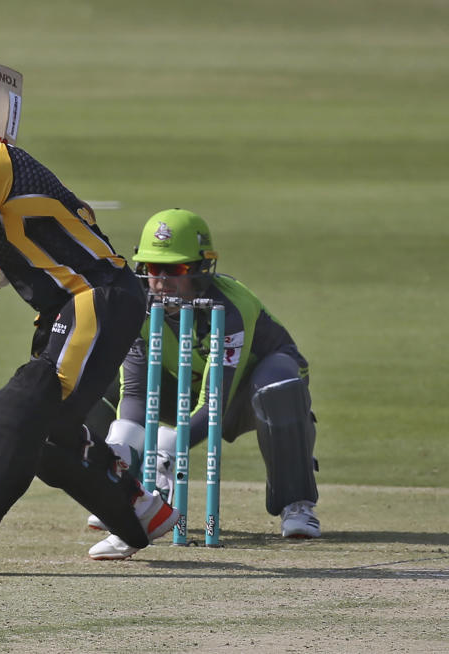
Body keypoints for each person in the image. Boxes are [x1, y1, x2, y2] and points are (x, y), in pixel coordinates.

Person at [0, 87, 179, 574]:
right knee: (44, 439)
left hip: (96, 296)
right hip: (71, 308)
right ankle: (140, 512)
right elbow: (24, 245)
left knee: (18, 408)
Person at [85, 208, 321, 560]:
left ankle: (297, 502)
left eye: (175, 269)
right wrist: (121, 452)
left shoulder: (230, 307)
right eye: (152, 269)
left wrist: (166, 449)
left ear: (199, 268)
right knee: (93, 380)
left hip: (244, 394)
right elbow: (134, 391)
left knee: (279, 382)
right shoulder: (136, 305)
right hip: (181, 387)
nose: (161, 280)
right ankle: (126, 493)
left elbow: (215, 403)